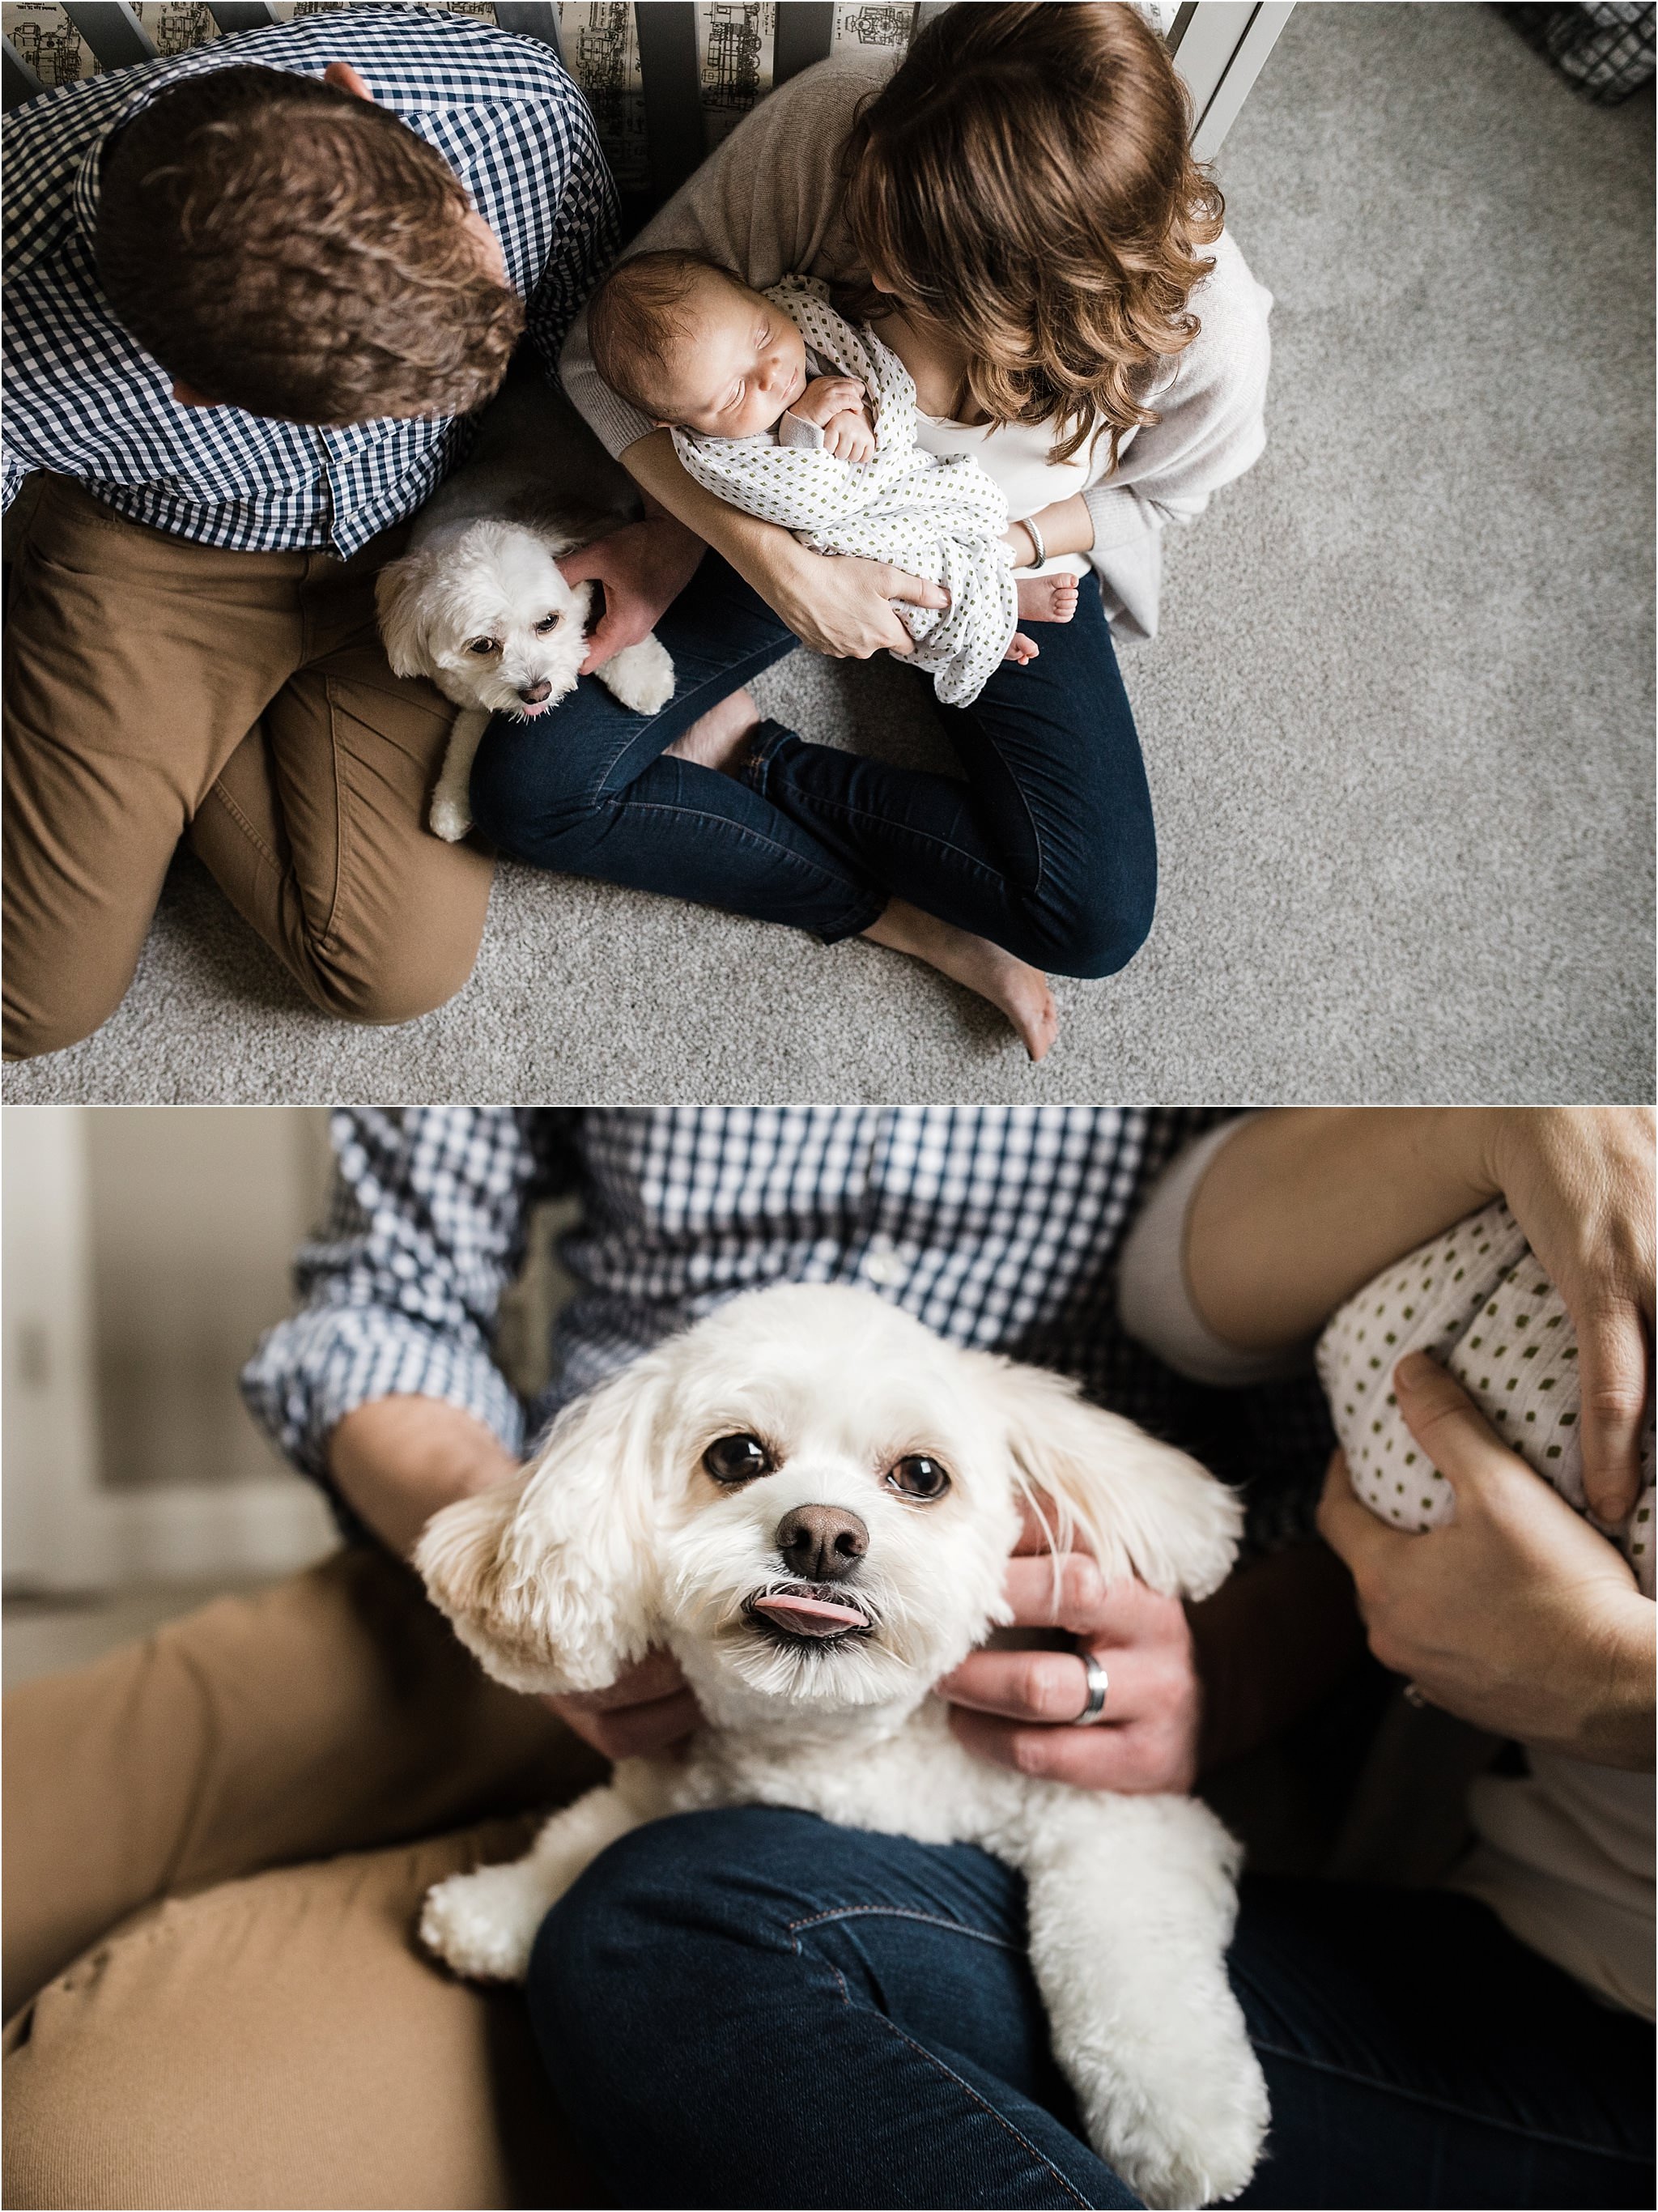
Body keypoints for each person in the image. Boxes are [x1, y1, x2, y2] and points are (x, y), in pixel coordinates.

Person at [3, 1107, 1649, 2210]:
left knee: (95, 2142)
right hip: (531, 1534)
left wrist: (1225, 1662)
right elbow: (383, 1300)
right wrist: (531, 1549)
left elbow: (1324, 1440)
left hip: (1017, 1684)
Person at [472, 2, 1275, 1062]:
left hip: (995, 553)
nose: (878, 277)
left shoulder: (1209, 340)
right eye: (875, 235)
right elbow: (605, 356)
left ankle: (765, 765)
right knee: (528, 792)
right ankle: (894, 918)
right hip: (787, 507)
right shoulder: (842, 127)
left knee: (1092, 918)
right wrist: (759, 558)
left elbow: (1155, 504)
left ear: (1037, 294)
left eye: (918, 272)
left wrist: (985, 563)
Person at [0, 9, 616, 1061]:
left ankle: (180, 757)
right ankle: (174, 734)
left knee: (391, 974)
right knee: (32, 1006)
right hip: (156, 563)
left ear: (355, 94)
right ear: (191, 388)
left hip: (432, 536)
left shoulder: (513, 104)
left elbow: (583, 359)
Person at [586, 252, 1082, 687]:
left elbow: (878, 373)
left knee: (959, 523)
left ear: (750, 292)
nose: (771, 375)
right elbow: (807, 501)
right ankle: (994, 618)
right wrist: (805, 427)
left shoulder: (794, 316)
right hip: (848, 538)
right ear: (672, 421)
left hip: (914, 487)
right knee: (916, 584)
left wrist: (862, 409)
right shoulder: (712, 453)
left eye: (761, 335)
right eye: (735, 393)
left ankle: (994, 580)